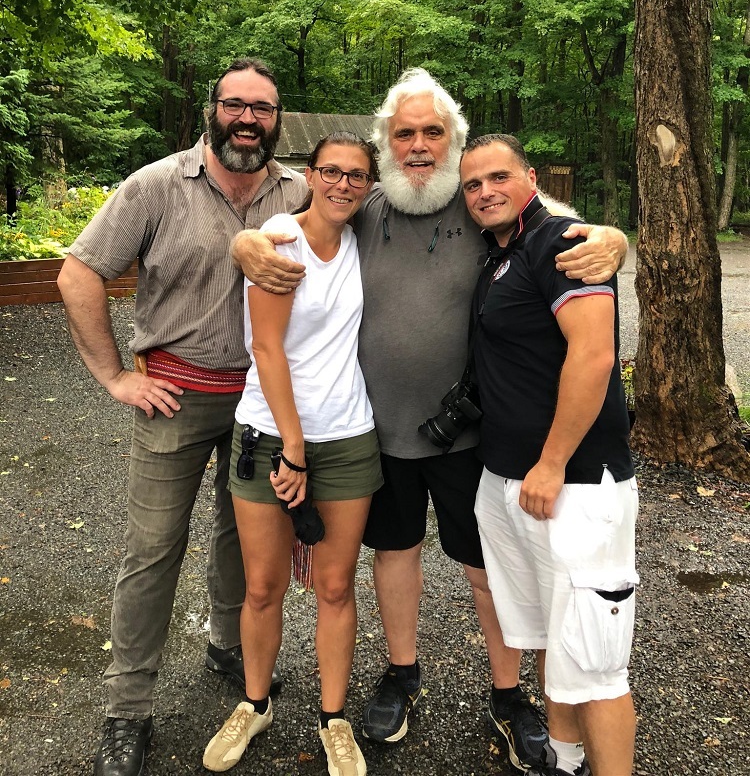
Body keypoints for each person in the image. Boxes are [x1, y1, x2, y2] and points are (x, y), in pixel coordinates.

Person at [233, 68, 629, 771]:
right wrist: (245, 245)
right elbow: (285, 226)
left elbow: (566, 228)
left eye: (432, 132)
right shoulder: (367, 207)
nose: (418, 145)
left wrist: (617, 237)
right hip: (377, 432)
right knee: (396, 554)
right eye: (405, 132)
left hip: (469, 434)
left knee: (486, 568)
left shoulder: (483, 207)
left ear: (455, 141)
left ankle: (508, 695)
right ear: (388, 142)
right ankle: (401, 672)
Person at [57, 58, 307, 776]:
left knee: (244, 539)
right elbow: (79, 272)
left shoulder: (298, 190)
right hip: (175, 393)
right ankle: (127, 709)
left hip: (263, 400)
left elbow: (394, 221)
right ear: (212, 110)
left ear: (277, 118)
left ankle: (227, 646)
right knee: (153, 551)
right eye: (235, 105)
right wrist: (114, 376)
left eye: (262, 108)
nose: (248, 119)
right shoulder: (156, 185)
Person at [202, 132, 383, 775]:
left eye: (356, 175)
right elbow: (267, 350)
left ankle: (333, 719)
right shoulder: (280, 237)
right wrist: (294, 448)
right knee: (262, 586)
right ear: (310, 174)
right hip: (269, 435)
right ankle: (255, 704)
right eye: (330, 172)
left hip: (348, 435)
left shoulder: (366, 239)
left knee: (336, 587)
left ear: (369, 184)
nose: (341, 184)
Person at [461, 134, 638, 776]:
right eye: (473, 184)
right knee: (547, 642)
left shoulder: (560, 242)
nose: (486, 192)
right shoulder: (498, 255)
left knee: (595, 664)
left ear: (530, 176)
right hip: (509, 482)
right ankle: (563, 760)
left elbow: (594, 355)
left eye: (499, 177)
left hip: (575, 486)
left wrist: (554, 461)